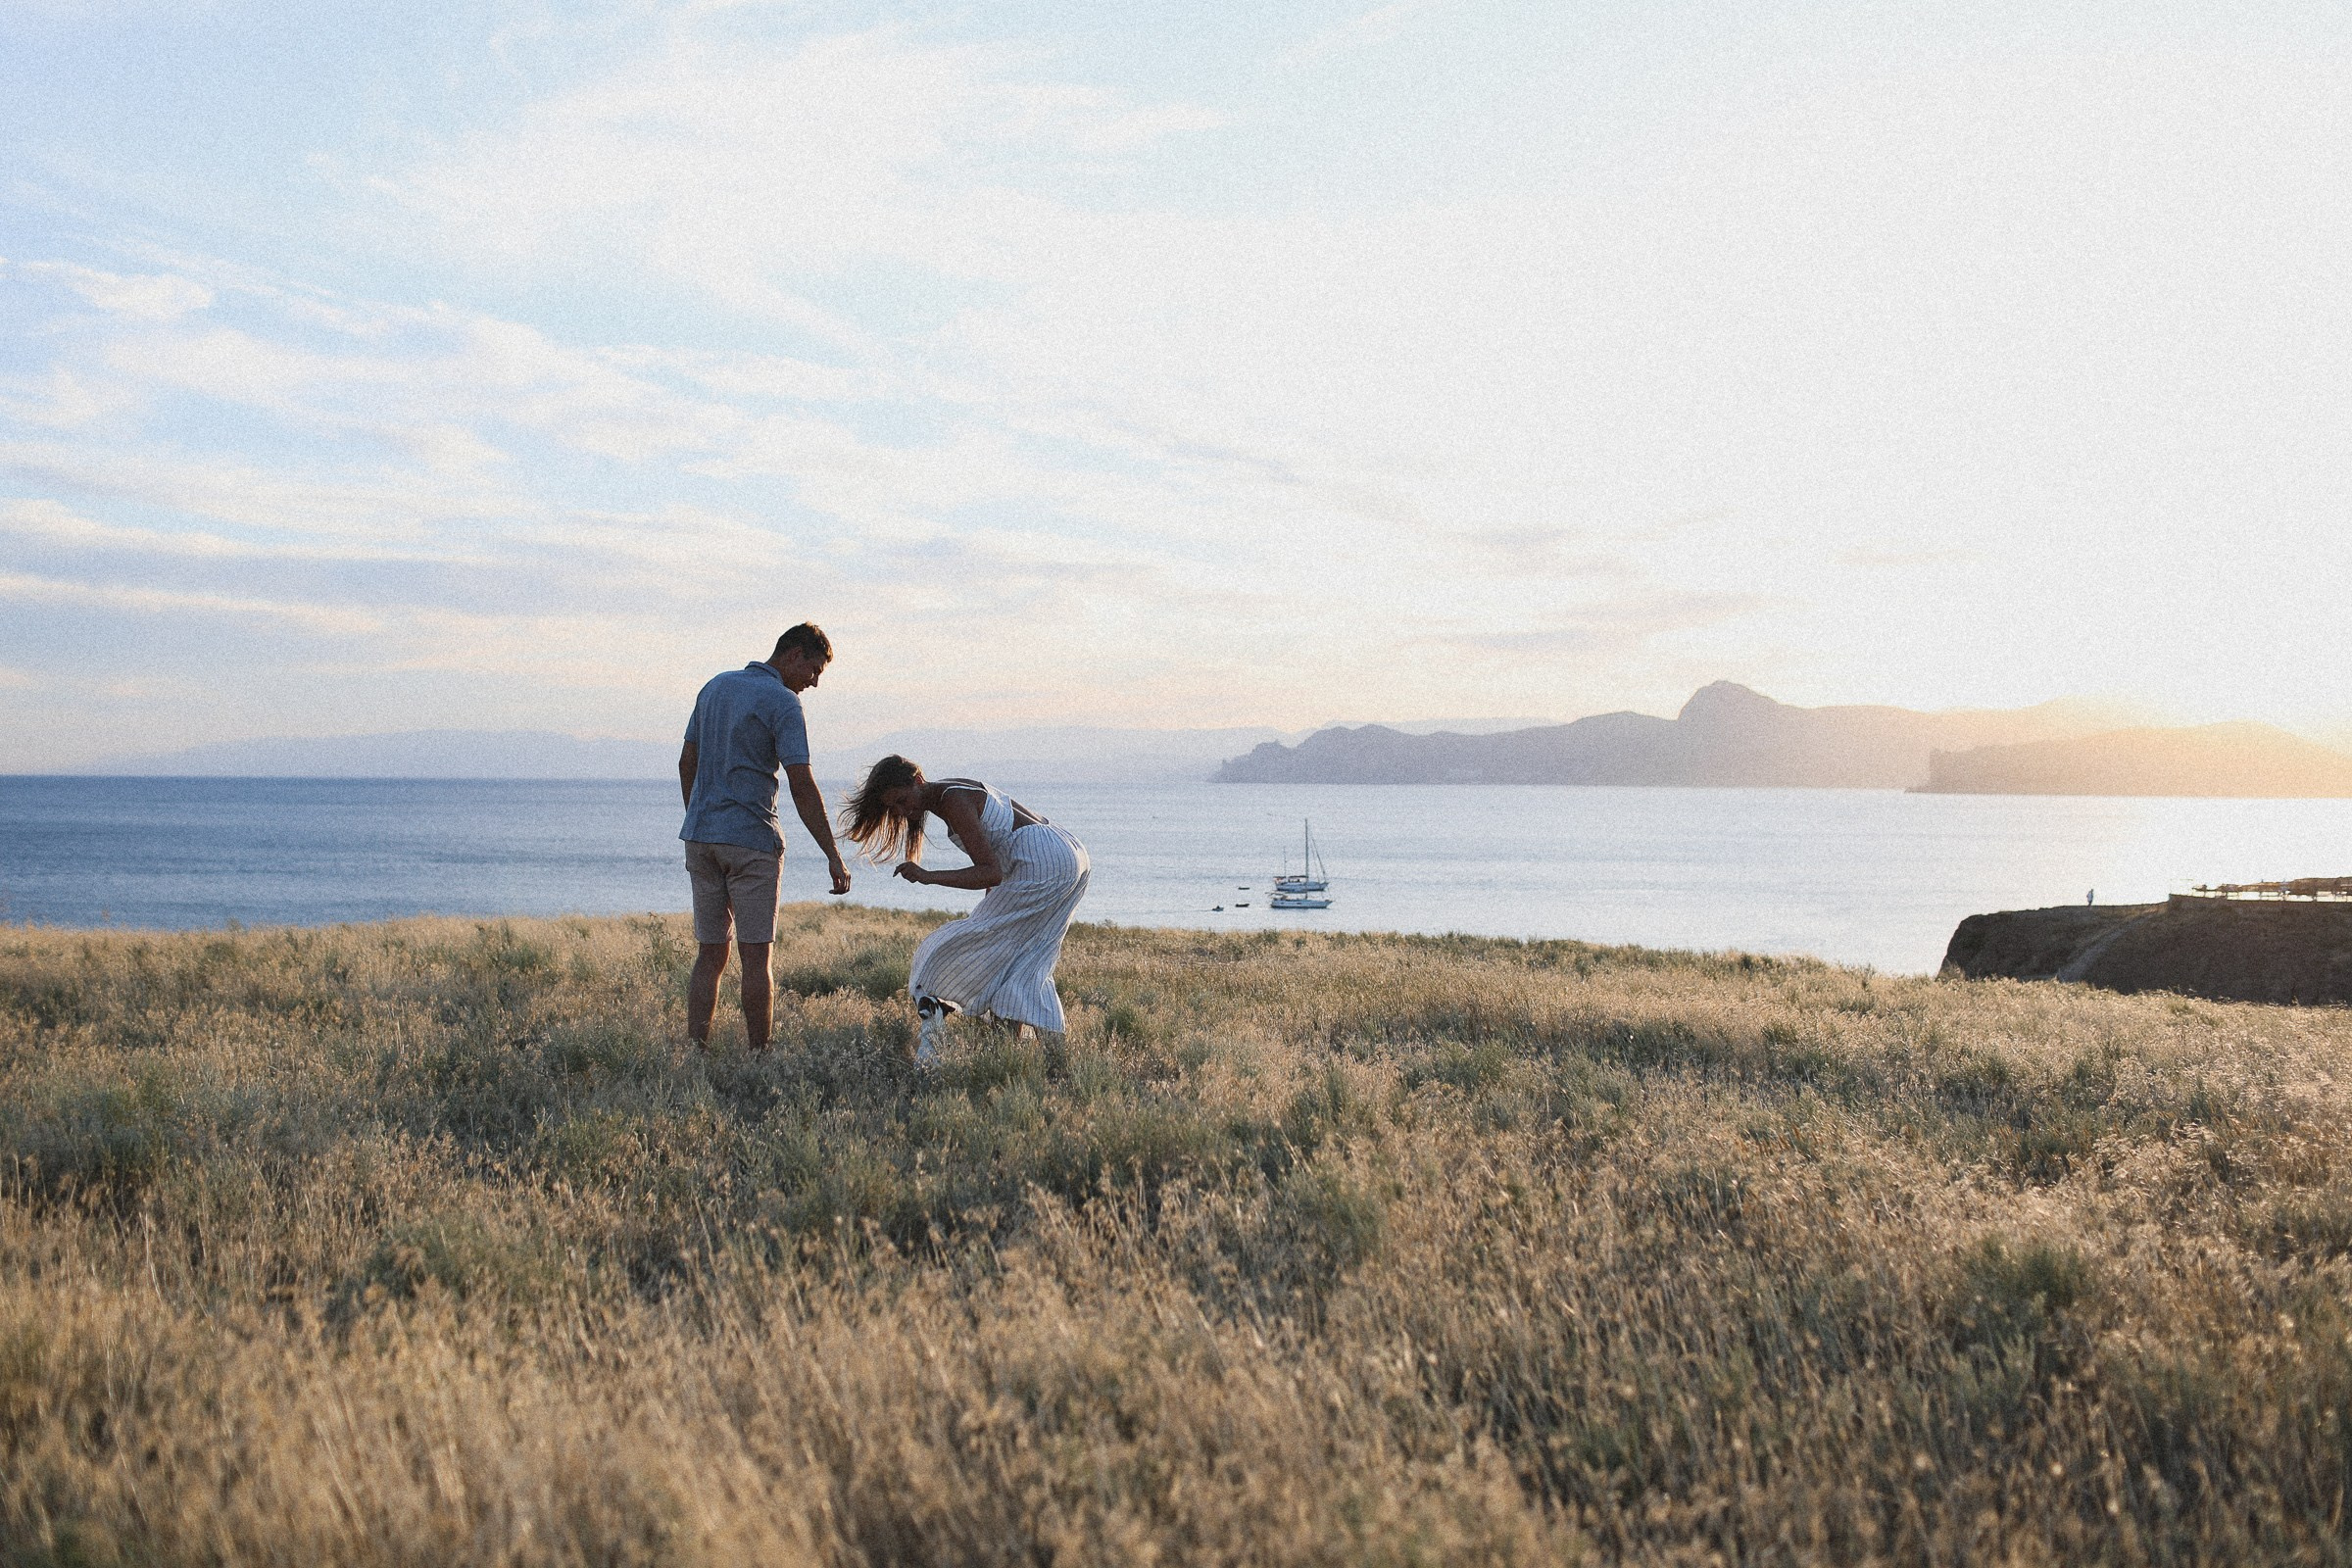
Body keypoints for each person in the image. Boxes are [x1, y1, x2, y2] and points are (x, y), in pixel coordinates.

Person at [840, 755, 1090, 1065]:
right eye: (895, 808)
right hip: (1065, 854)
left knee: (941, 948)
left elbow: (990, 872)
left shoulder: (953, 801)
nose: (904, 812)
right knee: (1025, 962)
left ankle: (935, 1008)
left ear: (918, 780)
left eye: (903, 801)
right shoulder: (951, 792)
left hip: (1042, 862)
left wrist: (928, 877)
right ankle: (1038, 1063)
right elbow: (996, 858)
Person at [677, 623, 852, 1051]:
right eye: (813, 670)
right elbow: (802, 784)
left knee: (710, 954)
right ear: (792, 655)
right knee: (756, 958)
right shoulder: (783, 703)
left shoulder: (715, 687)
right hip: (752, 842)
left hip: (701, 839)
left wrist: (701, 816)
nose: (813, 682)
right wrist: (833, 854)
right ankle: (760, 1058)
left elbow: (687, 761)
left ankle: (695, 1051)